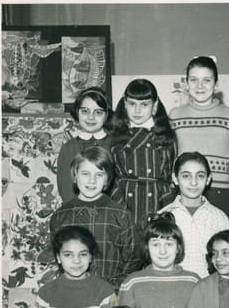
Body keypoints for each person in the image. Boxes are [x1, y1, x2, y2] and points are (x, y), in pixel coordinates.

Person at [48, 146, 137, 288]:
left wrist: (114, 287)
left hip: (111, 291)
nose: (92, 181)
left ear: (107, 179)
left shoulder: (121, 214)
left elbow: (133, 259)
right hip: (73, 290)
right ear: (75, 176)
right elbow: (59, 257)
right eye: (85, 174)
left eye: (99, 175)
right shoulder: (60, 216)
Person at [118, 214, 200, 308]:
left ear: (178, 248)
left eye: (169, 244)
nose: (163, 251)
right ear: (146, 248)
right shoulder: (132, 282)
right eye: (156, 244)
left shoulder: (193, 281)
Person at [169, 56, 229, 222]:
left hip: (220, 191)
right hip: (185, 191)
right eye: (194, 80)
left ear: (216, 84)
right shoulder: (175, 116)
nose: (200, 86)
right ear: (186, 84)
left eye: (207, 80)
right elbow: (171, 157)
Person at [110, 78, 176, 227]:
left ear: (155, 105)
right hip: (124, 202)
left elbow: (169, 176)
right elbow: (112, 176)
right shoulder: (115, 135)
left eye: (144, 104)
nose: (137, 110)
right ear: (125, 104)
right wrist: (119, 204)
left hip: (157, 203)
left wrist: (165, 206)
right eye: (132, 104)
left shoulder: (166, 136)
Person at [158, 151, 229, 277]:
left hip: (208, 285)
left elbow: (226, 260)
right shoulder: (163, 217)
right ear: (175, 178)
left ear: (208, 179)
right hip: (174, 284)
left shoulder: (219, 218)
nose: (193, 182)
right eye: (186, 176)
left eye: (200, 176)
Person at [56, 86, 112, 203]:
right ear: (77, 112)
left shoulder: (115, 145)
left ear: (106, 114)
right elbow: (65, 187)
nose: (91, 117)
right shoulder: (69, 148)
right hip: (77, 210)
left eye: (98, 112)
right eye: (85, 111)